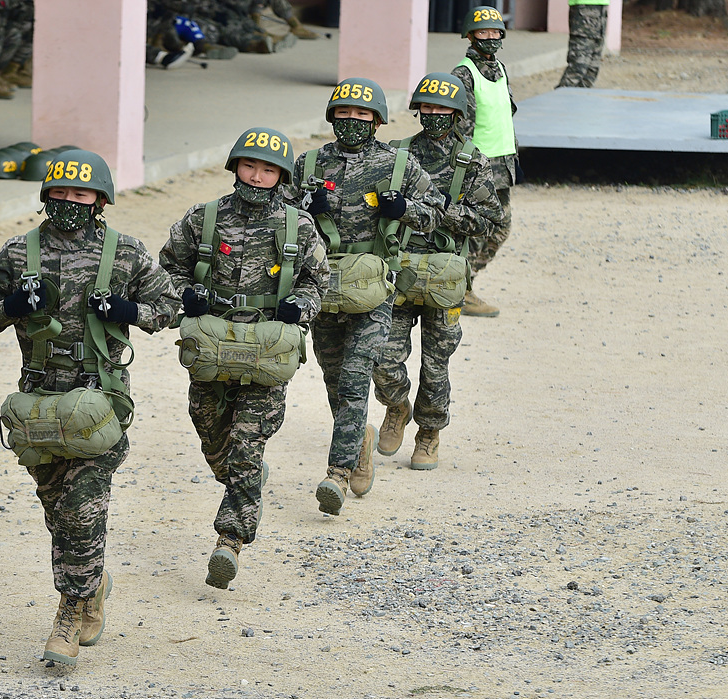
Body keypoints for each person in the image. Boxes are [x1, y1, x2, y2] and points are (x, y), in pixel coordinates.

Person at [0, 150, 179, 666]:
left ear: (99, 200)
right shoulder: (20, 252)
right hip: (39, 403)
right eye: (59, 193)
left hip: (100, 404)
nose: (68, 202)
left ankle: (67, 614)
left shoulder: (124, 252)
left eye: (79, 195)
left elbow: (170, 308)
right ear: (46, 196)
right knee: (57, 510)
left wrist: (126, 310)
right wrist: (17, 305)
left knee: (82, 507)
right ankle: (93, 584)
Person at [160, 127, 328, 589]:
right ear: (236, 166)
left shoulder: (299, 226)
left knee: (246, 445)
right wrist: (185, 294)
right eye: (250, 166)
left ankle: (229, 541)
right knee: (211, 433)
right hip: (213, 348)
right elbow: (168, 266)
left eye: (269, 170)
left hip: (265, 353)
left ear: (281, 176)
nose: (257, 177)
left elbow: (319, 281)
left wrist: (302, 307)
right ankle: (240, 474)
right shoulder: (203, 218)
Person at [289, 78, 446, 516]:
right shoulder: (308, 164)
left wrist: (405, 210)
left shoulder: (399, 165)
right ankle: (360, 442)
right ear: (331, 117)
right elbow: (277, 219)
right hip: (323, 287)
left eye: (361, 115)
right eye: (344, 113)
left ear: (377, 120)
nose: (352, 121)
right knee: (335, 381)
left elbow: (435, 214)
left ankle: (336, 475)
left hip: (375, 291)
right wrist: (305, 205)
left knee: (358, 376)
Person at [374, 73, 502, 468]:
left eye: (442, 108)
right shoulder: (398, 154)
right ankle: (396, 406)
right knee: (383, 357)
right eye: (426, 107)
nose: (432, 114)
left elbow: (489, 219)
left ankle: (429, 432)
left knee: (435, 364)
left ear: (457, 113)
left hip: (445, 277)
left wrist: (437, 210)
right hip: (399, 269)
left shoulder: (472, 160)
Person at [451, 5, 519, 318]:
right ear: (470, 35)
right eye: (483, 32)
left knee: (499, 228)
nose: (490, 37)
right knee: (481, 228)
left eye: (495, 32)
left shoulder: (500, 69)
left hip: (503, 164)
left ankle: (461, 285)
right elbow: (459, 129)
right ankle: (459, 289)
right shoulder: (463, 74)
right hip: (480, 168)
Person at [557, 0, 609, 89]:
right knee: (578, 66)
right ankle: (559, 99)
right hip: (584, 8)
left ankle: (579, 101)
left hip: (601, 6)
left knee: (592, 69)